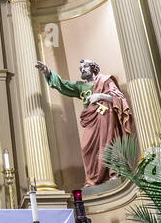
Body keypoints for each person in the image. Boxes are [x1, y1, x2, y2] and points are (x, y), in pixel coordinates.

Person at [35, 58, 132, 186]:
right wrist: (47, 72)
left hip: (106, 119)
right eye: (81, 69)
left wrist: (100, 96)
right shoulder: (81, 86)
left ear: (93, 68)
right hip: (91, 121)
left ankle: (113, 173)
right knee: (86, 147)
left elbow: (119, 98)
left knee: (108, 143)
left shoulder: (106, 81)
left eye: (85, 67)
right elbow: (63, 85)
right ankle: (92, 178)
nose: (83, 70)